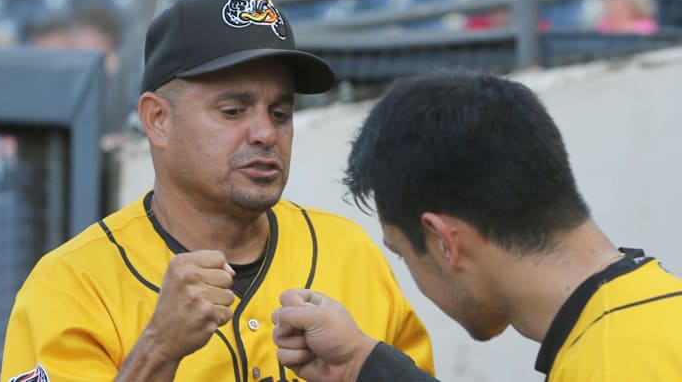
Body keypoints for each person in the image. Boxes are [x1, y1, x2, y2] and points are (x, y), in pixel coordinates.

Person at [0, 0, 434, 382]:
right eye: (233, 110)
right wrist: (157, 349)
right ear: (158, 120)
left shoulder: (349, 254)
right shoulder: (71, 286)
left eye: (280, 113)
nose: (266, 133)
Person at [272, 70, 682, 381]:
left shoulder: (611, 363)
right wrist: (362, 363)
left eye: (403, 254)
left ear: (443, 242)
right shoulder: (654, 311)